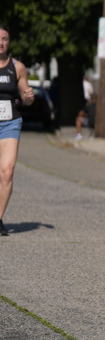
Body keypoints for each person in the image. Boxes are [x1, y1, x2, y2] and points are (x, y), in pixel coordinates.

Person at [0, 24, 35, 235]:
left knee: (7, 172)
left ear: (9, 42)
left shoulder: (17, 67)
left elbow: (26, 97)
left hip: (9, 123)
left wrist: (28, 97)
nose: (0, 43)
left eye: (4, 39)